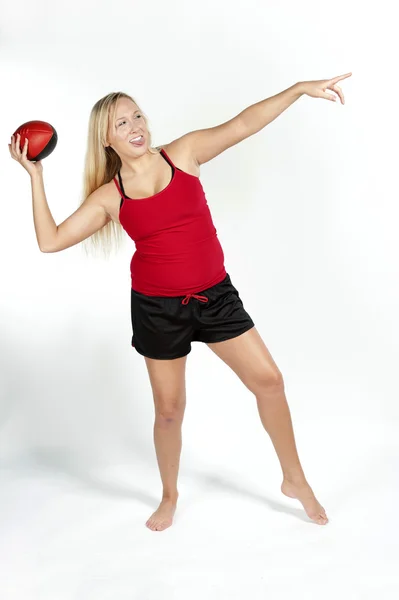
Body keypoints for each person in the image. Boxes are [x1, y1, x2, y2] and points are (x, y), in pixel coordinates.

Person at [8, 72, 351, 531]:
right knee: (169, 411)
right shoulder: (110, 197)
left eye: (137, 116)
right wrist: (36, 176)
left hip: (215, 296)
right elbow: (50, 242)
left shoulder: (184, 154)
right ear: (106, 140)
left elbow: (244, 124)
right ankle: (169, 495)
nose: (134, 126)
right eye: (121, 123)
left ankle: (294, 479)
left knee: (269, 381)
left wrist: (296, 91)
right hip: (157, 308)